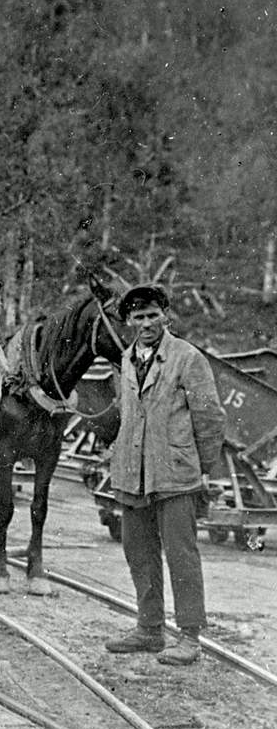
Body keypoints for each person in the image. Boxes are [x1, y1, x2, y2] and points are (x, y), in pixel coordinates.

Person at [104, 283, 225, 666]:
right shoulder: (126, 359)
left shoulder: (188, 358)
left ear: (166, 316)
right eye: (138, 317)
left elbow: (210, 418)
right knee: (138, 552)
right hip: (133, 473)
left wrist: (199, 467)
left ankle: (189, 636)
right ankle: (149, 628)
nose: (146, 323)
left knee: (181, 555)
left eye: (153, 315)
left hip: (175, 474)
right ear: (127, 322)